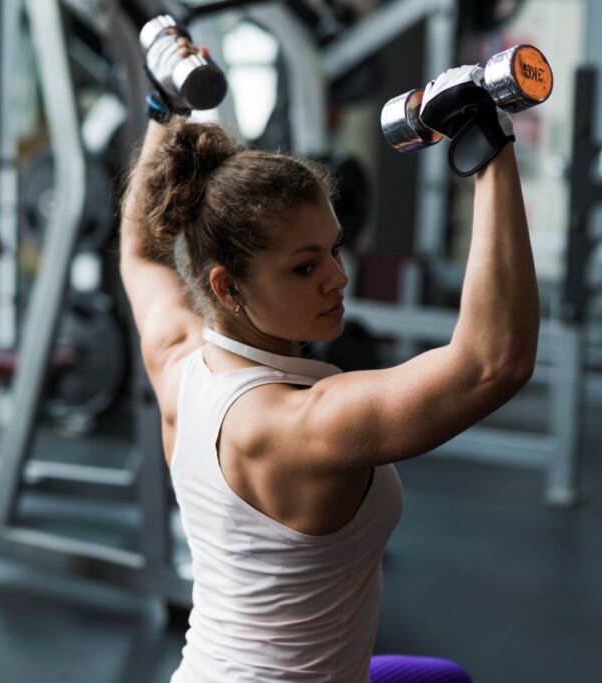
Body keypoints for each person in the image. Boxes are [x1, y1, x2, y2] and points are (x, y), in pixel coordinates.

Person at [119, 35, 539, 683]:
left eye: (334, 250)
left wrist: (164, 103)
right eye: (304, 267)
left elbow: (143, 253)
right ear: (228, 287)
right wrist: (490, 152)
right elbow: (493, 361)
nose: (337, 280)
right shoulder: (295, 426)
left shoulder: (179, 362)